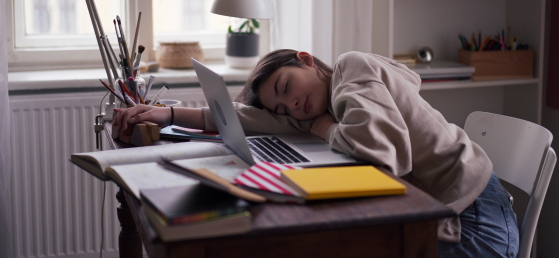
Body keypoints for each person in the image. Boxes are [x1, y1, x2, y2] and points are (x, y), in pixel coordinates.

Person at [113, 49, 519, 257]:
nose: (292, 107)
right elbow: (250, 118)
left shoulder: (350, 68)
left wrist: (322, 127)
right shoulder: (319, 102)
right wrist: (167, 112)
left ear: (306, 60)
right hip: (449, 205)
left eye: (287, 88)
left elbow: (381, 157)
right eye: (282, 107)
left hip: (475, 219)